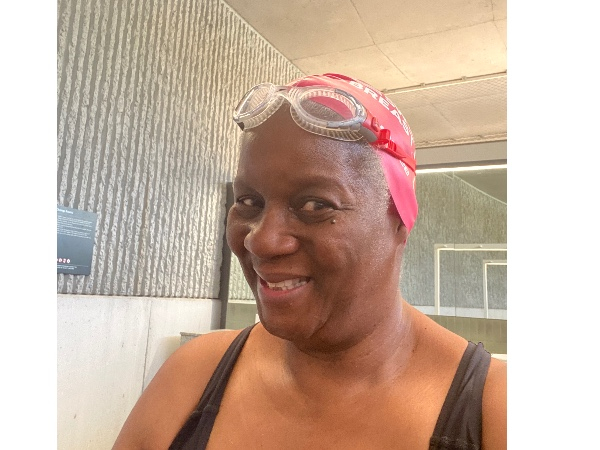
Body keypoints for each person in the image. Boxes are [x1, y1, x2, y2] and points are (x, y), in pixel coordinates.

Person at [112, 73, 507, 450]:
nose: (261, 241)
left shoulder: (496, 412)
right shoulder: (194, 375)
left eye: (316, 205)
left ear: (399, 220)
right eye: (248, 201)